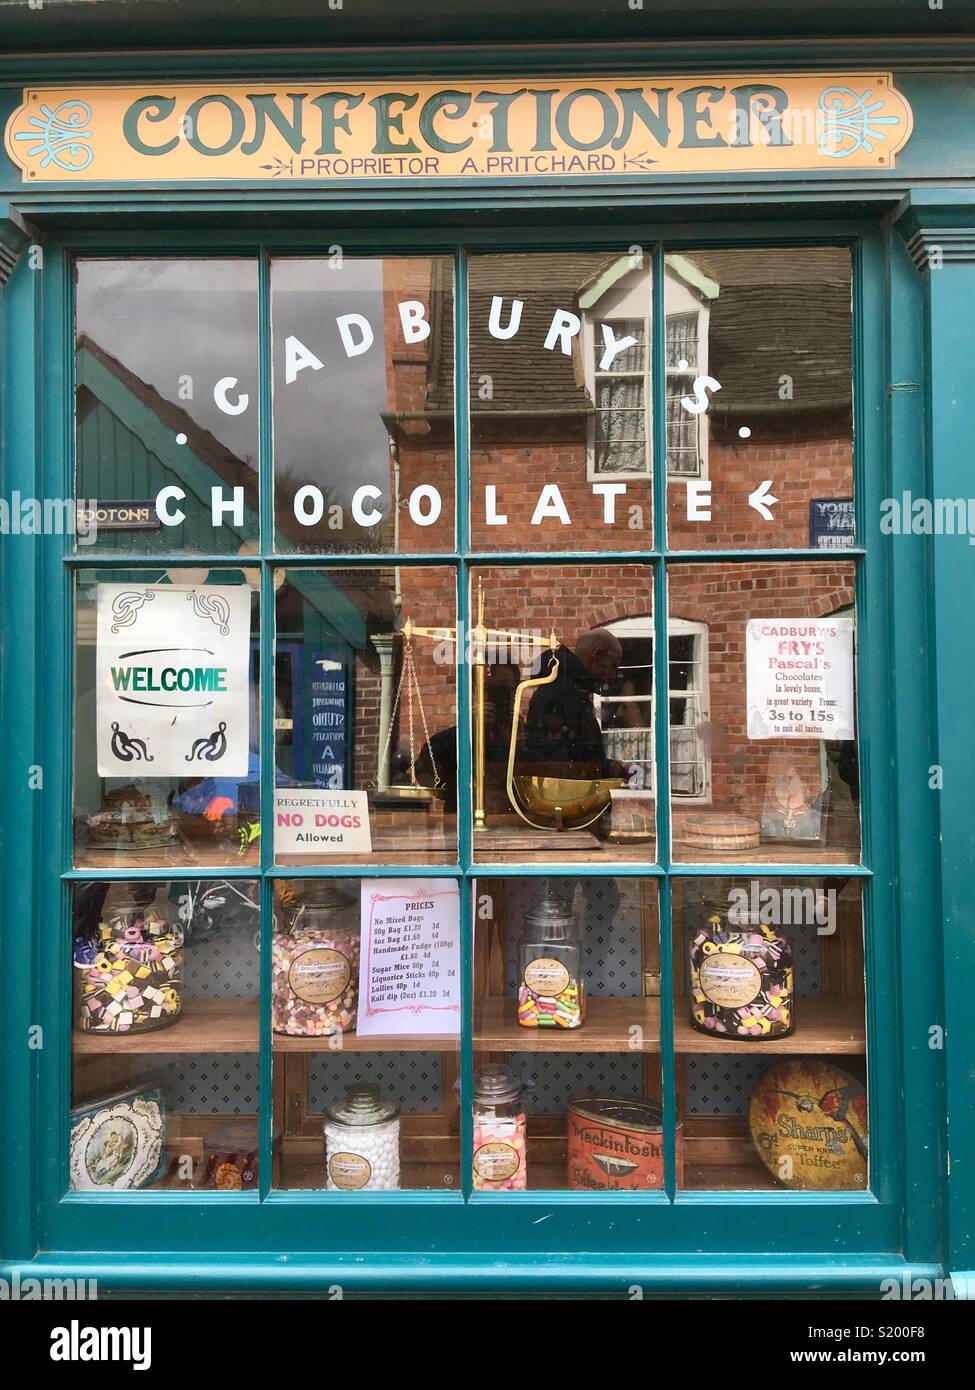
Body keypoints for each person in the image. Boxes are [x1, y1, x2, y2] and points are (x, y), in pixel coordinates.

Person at [523, 629, 626, 779]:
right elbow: (570, 760)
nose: (613, 676)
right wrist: (606, 768)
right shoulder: (567, 693)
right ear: (597, 655)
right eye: (613, 665)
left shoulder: (568, 688)